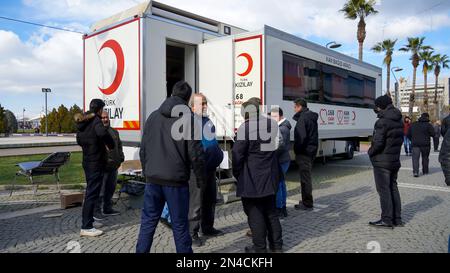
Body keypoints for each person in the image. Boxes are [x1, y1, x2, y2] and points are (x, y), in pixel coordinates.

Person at [136, 81, 206, 254]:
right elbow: (195, 154)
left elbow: (143, 149)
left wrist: (147, 172)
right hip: (176, 181)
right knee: (180, 224)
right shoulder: (189, 119)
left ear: (172, 93)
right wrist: (200, 178)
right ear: (188, 98)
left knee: (148, 222)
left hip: (153, 180)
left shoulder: (153, 116)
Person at [232, 97, 283, 253]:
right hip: (271, 175)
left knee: (255, 214)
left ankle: (260, 248)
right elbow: (278, 145)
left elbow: (237, 154)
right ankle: (277, 246)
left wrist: (237, 173)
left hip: (252, 178)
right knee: (271, 212)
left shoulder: (245, 128)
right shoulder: (272, 124)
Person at [188, 93, 224, 247]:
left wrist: (219, 154)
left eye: (205, 103)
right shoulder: (188, 122)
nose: (204, 106)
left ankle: (207, 227)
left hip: (210, 168)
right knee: (196, 202)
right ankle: (192, 232)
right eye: (201, 103)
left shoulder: (207, 121)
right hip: (196, 169)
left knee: (210, 198)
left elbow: (212, 142)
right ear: (192, 106)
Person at [75, 99, 115, 237]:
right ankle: (86, 226)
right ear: (99, 109)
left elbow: (79, 140)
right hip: (96, 162)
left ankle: (90, 221)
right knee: (92, 194)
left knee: (91, 192)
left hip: (87, 160)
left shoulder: (83, 122)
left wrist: (89, 147)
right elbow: (103, 133)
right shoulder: (96, 120)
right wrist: (111, 145)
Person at [368, 95, 403, 228]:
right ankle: (397, 219)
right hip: (394, 160)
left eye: (376, 106)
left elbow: (378, 143)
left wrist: (370, 152)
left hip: (382, 161)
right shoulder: (398, 119)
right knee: (393, 188)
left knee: (384, 190)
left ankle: (386, 219)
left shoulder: (382, 122)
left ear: (380, 106)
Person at [93, 111, 124, 220]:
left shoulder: (114, 132)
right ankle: (97, 212)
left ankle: (107, 208)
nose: (105, 119)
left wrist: (121, 157)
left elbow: (119, 146)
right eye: (103, 118)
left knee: (110, 189)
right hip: (103, 167)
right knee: (100, 191)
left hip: (114, 167)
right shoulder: (97, 133)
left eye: (106, 117)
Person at [292, 98, 318, 211]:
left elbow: (301, 138)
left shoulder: (303, 118)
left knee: (305, 179)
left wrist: (297, 150)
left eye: (295, 106)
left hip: (304, 153)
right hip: (310, 151)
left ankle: (307, 203)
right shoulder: (311, 116)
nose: (294, 109)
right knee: (306, 177)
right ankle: (307, 200)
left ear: (299, 107)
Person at [270, 107, 291, 218]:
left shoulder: (282, 128)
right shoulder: (284, 126)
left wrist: (271, 154)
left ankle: (279, 208)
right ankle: (282, 207)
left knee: (278, 185)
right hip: (283, 160)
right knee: (281, 184)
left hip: (280, 160)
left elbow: (280, 146)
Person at [407, 113, 435, 177]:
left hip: (415, 144)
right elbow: (433, 134)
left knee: (415, 158)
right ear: (427, 117)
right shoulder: (428, 125)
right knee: (425, 158)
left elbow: (408, 134)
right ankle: (425, 171)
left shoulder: (413, 124)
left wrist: (412, 140)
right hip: (425, 144)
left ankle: (416, 172)